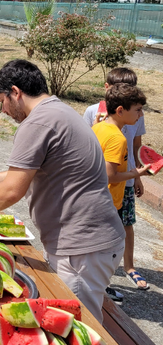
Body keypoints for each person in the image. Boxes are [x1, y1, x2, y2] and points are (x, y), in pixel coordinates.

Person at [0, 59, 126, 323]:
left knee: (77, 326)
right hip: (94, 241)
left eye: (2, 101)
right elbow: (37, 171)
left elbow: (13, 191)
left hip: (81, 248)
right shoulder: (59, 111)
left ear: (16, 92)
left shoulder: (37, 123)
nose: (3, 110)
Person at [83, 68, 150, 294]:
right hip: (107, 201)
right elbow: (110, 175)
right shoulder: (117, 137)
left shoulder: (100, 126)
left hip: (94, 197)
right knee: (108, 247)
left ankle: (94, 285)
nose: (141, 115)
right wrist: (137, 174)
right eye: (138, 110)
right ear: (121, 110)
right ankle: (99, 287)